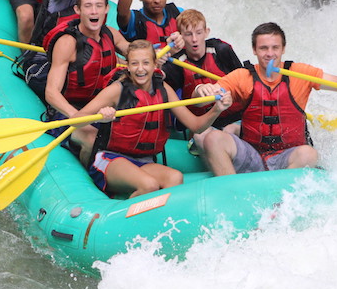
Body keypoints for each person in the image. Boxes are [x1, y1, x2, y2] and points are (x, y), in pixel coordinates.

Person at [193, 22, 337, 176]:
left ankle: (278, 201)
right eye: (263, 48)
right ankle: (232, 191)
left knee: (309, 154)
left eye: (275, 48)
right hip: (253, 154)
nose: (270, 54)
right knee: (213, 138)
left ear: (283, 49)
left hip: (288, 158)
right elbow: (202, 100)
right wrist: (201, 90)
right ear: (254, 50)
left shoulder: (300, 73)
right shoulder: (242, 76)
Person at [71, 40, 232, 198]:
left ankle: (163, 221)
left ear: (155, 65)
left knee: (175, 178)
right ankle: (126, 220)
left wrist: (217, 109)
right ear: (127, 66)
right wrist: (101, 117)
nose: (140, 69)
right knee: (149, 185)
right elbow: (76, 120)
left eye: (146, 63)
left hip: (144, 161)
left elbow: (195, 125)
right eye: (134, 64)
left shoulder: (164, 90)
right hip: (110, 158)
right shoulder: (116, 90)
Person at [44, 0, 131, 164]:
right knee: (92, 136)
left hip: (101, 108)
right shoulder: (68, 43)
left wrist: (167, 48)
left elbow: (136, 52)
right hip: (70, 111)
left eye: (99, 6)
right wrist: (76, 116)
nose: (94, 11)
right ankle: (89, 180)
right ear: (78, 10)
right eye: (88, 6)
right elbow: (51, 92)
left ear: (107, 9)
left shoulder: (110, 34)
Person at [163, 9, 243, 132]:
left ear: (206, 32)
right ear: (180, 36)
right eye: (188, 34)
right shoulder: (176, 62)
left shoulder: (221, 50)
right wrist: (163, 57)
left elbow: (243, 79)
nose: (194, 39)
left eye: (199, 33)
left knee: (230, 130)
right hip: (203, 124)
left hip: (234, 117)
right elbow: (154, 81)